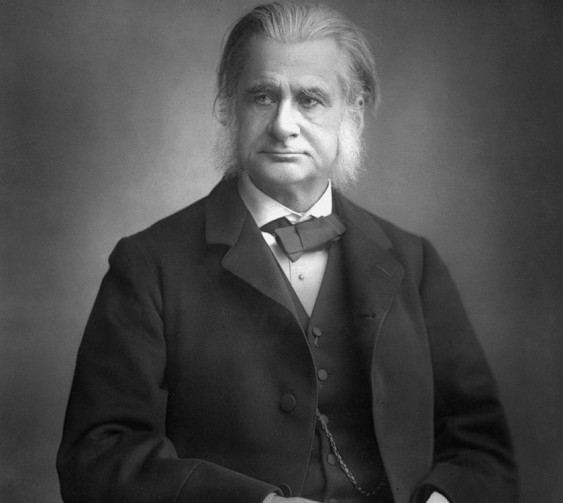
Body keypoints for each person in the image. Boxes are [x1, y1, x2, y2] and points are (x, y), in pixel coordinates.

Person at [57, 3, 518, 503]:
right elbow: (97, 457)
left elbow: (482, 449)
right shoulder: (148, 265)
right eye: (263, 96)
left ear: (354, 112)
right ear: (229, 107)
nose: (283, 125)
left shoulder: (415, 262)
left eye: (310, 99)